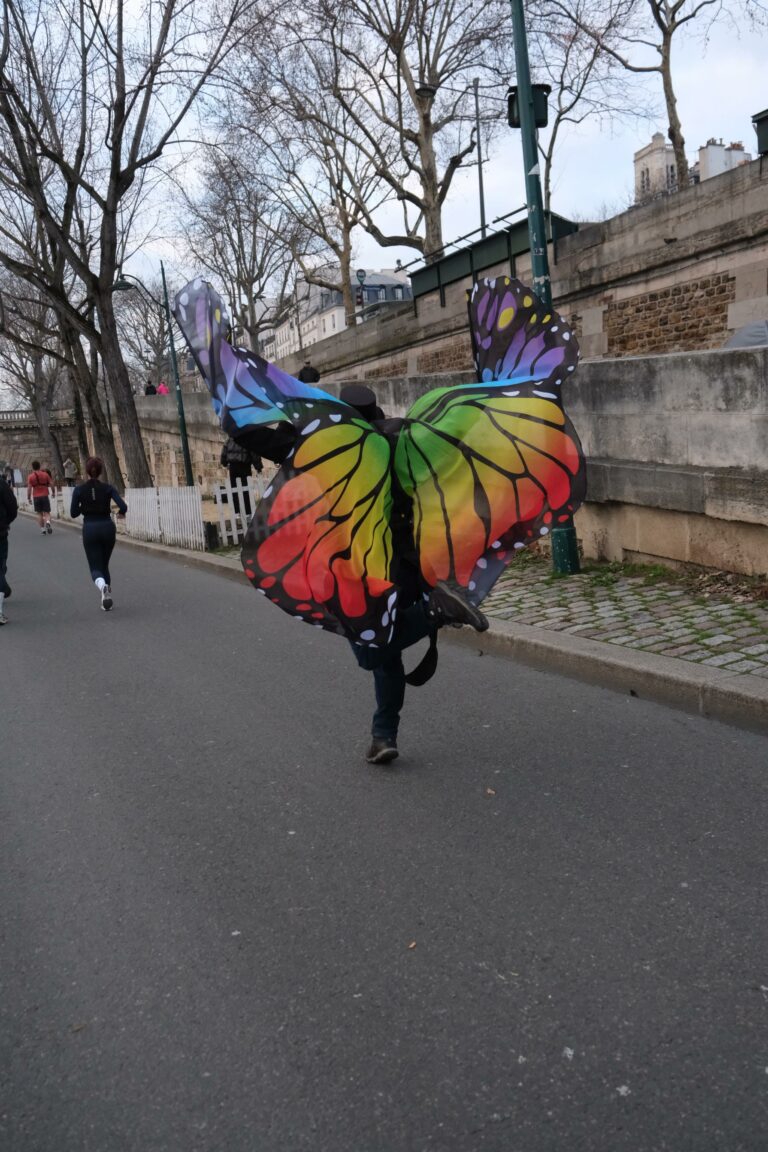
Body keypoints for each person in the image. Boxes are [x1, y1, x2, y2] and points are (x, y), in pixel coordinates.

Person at [338, 385, 488, 764]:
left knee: (372, 654)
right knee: (387, 659)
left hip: (365, 568)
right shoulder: (402, 437)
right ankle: (383, 736)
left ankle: (436, 612)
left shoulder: (340, 452)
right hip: (407, 565)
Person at [70, 457, 128, 611]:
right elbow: (123, 505)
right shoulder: (108, 488)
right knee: (104, 564)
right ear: (101, 471)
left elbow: (73, 513)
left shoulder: (79, 490)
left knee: (95, 567)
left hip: (90, 528)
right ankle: (105, 598)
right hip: (107, 527)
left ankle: (102, 587)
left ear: (87, 472)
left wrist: (85, 507)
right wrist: (121, 512)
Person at [220, 436, 262, 517]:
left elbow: (224, 453)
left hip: (233, 467)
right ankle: (247, 512)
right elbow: (254, 454)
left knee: (234, 490)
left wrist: (224, 463)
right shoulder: (247, 439)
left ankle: (237, 512)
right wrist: (258, 467)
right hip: (244, 466)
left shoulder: (229, 440)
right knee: (246, 490)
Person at [0, 472, 18, 624]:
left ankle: (3, 587)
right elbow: (12, 506)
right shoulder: (1, 484)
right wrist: (5, 522)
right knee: (0, 566)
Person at [26, 460, 54, 534]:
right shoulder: (45, 474)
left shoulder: (30, 476)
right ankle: (48, 522)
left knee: (39, 513)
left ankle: (43, 530)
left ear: (33, 467)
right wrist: (53, 492)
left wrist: (28, 498)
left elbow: (29, 488)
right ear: (39, 466)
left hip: (36, 497)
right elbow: (51, 484)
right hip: (45, 495)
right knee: (47, 512)